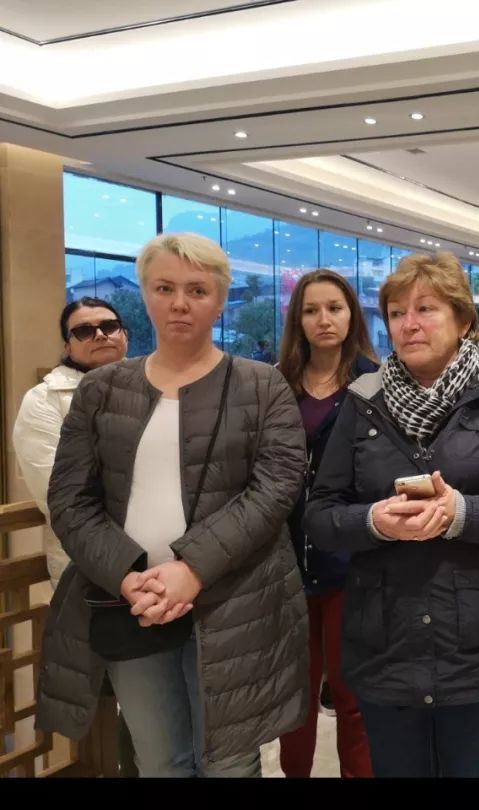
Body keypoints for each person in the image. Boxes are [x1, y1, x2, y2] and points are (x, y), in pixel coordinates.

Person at [37, 232, 310, 777]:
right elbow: (70, 497)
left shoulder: (262, 386)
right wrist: (125, 574)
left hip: (237, 600)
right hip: (131, 602)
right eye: (164, 288)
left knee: (229, 761)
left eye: (196, 289)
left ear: (220, 299)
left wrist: (192, 569)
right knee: (160, 760)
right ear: (145, 294)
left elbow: (275, 487)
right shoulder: (102, 391)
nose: (180, 303)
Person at [303, 251, 479, 778]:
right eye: (397, 312)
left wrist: (464, 512)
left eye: (425, 308)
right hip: (385, 641)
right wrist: (373, 522)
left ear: (464, 321)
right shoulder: (362, 401)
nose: (409, 323)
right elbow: (320, 513)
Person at [275, 269, 379, 778]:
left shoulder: (377, 383)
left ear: (351, 314)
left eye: (334, 308)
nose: (324, 319)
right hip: (286, 559)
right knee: (293, 695)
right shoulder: (276, 383)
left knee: (351, 693)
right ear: (298, 319)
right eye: (312, 310)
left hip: (352, 559)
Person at [13, 298, 129, 587]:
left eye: (109, 326)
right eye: (84, 331)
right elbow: (60, 494)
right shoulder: (45, 400)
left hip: (169, 560)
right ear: (68, 346)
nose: (101, 335)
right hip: (88, 563)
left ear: (124, 334)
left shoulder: (160, 387)